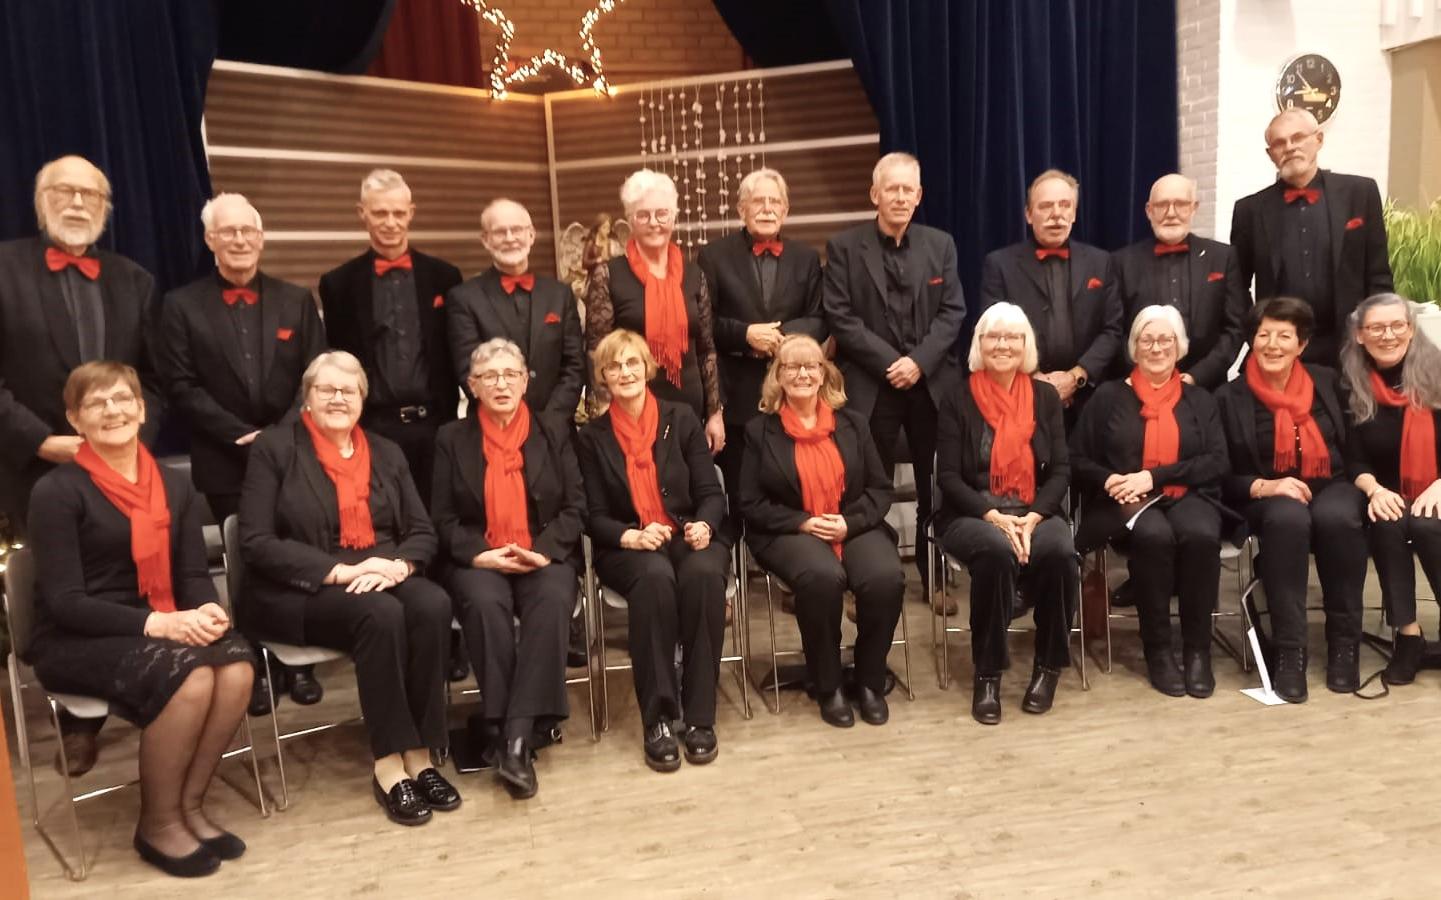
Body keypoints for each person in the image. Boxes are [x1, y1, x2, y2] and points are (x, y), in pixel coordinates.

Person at [27, 361, 254, 877]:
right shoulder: (57, 491)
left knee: (237, 666)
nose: (112, 410)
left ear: (142, 408)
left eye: (122, 398)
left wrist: (206, 610)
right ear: (74, 420)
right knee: (192, 679)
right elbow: (64, 602)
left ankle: (190, 806)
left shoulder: (173, 485)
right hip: (75, 637)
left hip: (160, 621)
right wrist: (160, 624)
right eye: (96, 403)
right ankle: (157, 822)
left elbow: (193, 573)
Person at [238, 351, 459, 826]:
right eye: (327, 390)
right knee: (380, 615)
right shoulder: (275, 448)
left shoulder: (386, 450)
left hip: (380, 571)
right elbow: (256, 543)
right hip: (298, 588)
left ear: (363, 398)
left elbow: (422, 530)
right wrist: (337, 572)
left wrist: (398, 568)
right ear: (307, 397)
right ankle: (389, 765)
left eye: (349, 390)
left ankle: (422, 753)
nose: (338, 399)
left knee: (432, 604)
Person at [0, 155, 162, 776]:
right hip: (40, 468)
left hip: (127, 468)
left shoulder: (135, 279)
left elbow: (155, 377)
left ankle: (145, 686)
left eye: (90, 194)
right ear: (41, 200)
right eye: (63, 191)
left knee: (129, 577)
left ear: (106, 207)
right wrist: (43, 441)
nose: (76, 203)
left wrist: (127, 436)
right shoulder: (5, 269)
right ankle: (79, 720)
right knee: (67, 591)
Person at [158, 192, 327, 712]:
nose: (239, 240)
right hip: (223, 456)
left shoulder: (296, 299)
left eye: (247, 231)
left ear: (261, 237)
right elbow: (179, 384)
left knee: (301, 547)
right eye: (227, 232)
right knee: (245, 560)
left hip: (295, 452)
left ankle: (302, 660)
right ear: (210, 240)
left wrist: (279, 434)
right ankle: (255, 661)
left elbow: (315, 375)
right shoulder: (180, 305)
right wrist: (238, 433)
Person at [432, 338, 584, 799]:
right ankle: (514, 727)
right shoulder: (450, 439)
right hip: (479, 557)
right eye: (489, 376)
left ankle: (511, 735)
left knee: (554, 598)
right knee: (483, 602)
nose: (501, 383)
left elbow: (576, 508)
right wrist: (478, 553)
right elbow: (439, 518)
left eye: (510, 374)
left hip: (541, 552)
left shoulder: (554, 431)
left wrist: (541, 549)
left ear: (524, 381)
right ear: (473, 385)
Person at [576, 330, 730, 772]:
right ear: (603, 377)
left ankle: (700, 716)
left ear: (648, 368)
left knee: (703, 575)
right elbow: (591, 513)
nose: (624, 372)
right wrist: (629, 536)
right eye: (614, 366)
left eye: (632, 363)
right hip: (627, 544)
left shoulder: (680, 419)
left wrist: (703, 523)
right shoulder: (591, 438)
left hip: (686, 533)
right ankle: (659, 717)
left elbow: (709, 492)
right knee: (655, 579)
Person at [739, 334, 904, 728]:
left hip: (852, 523)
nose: (802, 373)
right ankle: (827, 683)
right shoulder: (760, 431)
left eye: (810, 365)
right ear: (777, 377)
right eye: (791, 366)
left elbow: (880, 490)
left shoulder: (853, 425)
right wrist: (803, 522)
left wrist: (849, 522)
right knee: (822, 578)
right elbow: (749, 503)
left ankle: (868, 680)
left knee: (885, 577)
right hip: (789, 531)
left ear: (824, 373)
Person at [821, 152, 966, 600]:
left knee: (935, 486)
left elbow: (952, 312)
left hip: (930, 387)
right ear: (875, 194)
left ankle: (934, 574)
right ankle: (872, 577)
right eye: (892, 188)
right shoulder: (845, 247)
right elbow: (840, 317)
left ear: (919, 196)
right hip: (872, 386)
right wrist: (892, 362)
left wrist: (918, 362)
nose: (900, 196)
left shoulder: (940, 245)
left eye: (909, 189)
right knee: (869, 487)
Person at [1070, 305, 1229, 697]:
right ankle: (1157, 650)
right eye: (1147, 339)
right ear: (1134, 348)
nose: (1157, 348)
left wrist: (1154, 476)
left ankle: (1197, 651)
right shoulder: (1108, 396)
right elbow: (1075, 458)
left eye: (1166, 340)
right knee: (1154, 538)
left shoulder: (1200, 400)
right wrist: (1109, 479)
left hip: (1188, 494)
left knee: (1200, 535)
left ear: (1180, 347)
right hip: (1125, 504)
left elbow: (1216, 461)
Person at [1216, 296, 1366, 702]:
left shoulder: (1328, 382)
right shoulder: (1230, 398)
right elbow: (1219, 472)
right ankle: (1289, 653)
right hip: (1265, 494)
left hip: (1331, 484)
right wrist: (1266, 486)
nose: (1273, 344)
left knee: (1340, 518)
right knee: (1288, 520)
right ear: (1251, 340)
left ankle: (1344, 645)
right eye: (1263, 334)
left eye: (1284, 335)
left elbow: (1353, 448)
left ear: (1301, 344)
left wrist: (1366, 482)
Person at [935, 302, 1078, 724]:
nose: (1003, 345)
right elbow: (948, 477)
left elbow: (1062, 470)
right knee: (996, 553)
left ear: (1025, 346)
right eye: (993, 336)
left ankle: (1048, 668)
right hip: (972, 512)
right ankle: (988, 674)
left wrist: (1033, 517)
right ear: (979, 344)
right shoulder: (957, 397)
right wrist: (994, 517)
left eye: (1012, 337)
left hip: (1034, 511)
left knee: (1059, 552)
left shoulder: (1045, 397)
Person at [318, 169, 463, 506]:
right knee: (385, 517)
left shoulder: (444, 276)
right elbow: (339, 360)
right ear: (362, 214)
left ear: (411, 213)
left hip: (437, 425)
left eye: (399, 212)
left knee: (440, 517)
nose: (390, 222)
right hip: (373, 428)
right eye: (380, 212)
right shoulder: (338, 284)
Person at [698, 167, 825, 538]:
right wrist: (745, 334)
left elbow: (820, 319)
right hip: (737, 391)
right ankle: (739, 566)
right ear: (741, 209)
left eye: (775, 202)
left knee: (793, 484)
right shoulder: (714, 256)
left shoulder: (805, 257)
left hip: (792, 392)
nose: (767, 209)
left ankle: (791, 566)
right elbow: (703, 326)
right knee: (740, 489)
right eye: (758, 201)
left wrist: (784, 338)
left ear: (785, 210)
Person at [1231, 108, 1393, 366]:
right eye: (1280, 143)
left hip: (1349, 345)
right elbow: (1236, 285)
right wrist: (1256, 332)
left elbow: (1378, 275)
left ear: (1318, 139)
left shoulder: (1360, 193)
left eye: (1298, 138)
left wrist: (1375, 336)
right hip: (1282, 349)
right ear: (1270, 153)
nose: (1290, 147)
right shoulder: (1249, 210)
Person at [585, 169, 725, 454]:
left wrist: (714, 412)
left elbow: (706, 349)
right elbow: (596, 351)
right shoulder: (608, 275)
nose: (653, 223)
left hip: (689, 404)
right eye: (643, 215)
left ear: (673, 217)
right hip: (630, 407)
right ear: (630, 220)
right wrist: (601, 409)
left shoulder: (694, 275)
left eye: (662, 214)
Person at [1340, 293, 1441, 686]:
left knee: (1428, 525)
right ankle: (1408, 637)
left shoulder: (1437, 372)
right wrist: (1373, 490)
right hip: (1387, 490)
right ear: (1360, 335)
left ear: (1411, 330)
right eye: (1377, 327)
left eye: (1397, 325)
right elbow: (1351, 455)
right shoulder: (1350, 381)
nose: (1388, 335)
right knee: (1387, 525)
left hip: (1436, 488)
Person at [979, 169, 1122, 418]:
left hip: (1088, 398)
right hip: (1021, 396)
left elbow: (1112, 329)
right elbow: (992, 333)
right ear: (1028, 214)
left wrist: (1075, 377)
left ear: (1074, 214)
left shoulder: (1102, 262)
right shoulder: (1000, 264)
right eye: (1045, 206)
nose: (1056, 214)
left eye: (1065, 205)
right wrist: (1036, 379)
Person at [447, 197, 585, 417]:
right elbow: (469, 372)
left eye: (517, 230)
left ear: (531, 235)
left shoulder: (560, 294)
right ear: (485, 239)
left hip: (556, 430)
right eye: (500, 232)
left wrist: (551, 421)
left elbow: (574, 367)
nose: (510, 238)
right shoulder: (464, 298)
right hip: (494, 430)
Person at [1111, 174, 1249, 389]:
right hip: (1141, 388)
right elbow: (1115, 330)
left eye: (1181, 204)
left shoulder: (1223, 258)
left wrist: (1199, 376)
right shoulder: (1122, 262)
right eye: (1162, 205)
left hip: (1207, 389)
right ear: (1149, 210)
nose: (1171, 213)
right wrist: (1149, 373)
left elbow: (1235, 328)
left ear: (1194, 208)